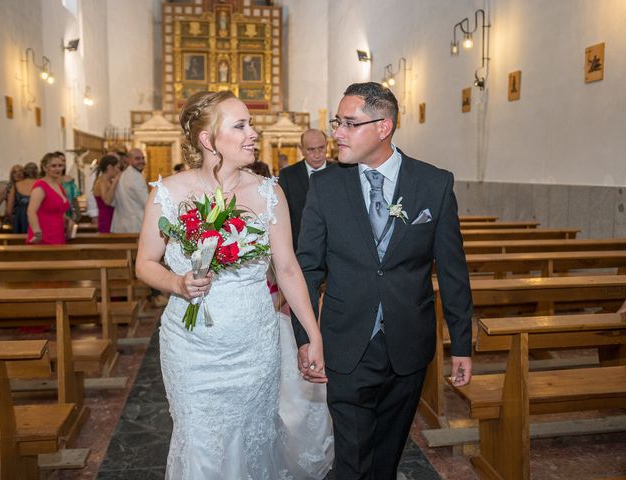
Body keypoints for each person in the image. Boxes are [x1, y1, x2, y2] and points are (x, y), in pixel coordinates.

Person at [135, 90, 333, 479]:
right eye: (240, 125)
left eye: (251, 124)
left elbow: (288, 269)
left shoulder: (268, 193)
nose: (253, 133)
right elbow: (144, 262)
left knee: (251, 437)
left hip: (253, 344)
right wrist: (177, 283)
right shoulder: (169, 193)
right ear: (208, 139)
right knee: (200, 440)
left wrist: (313, 333)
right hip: (191, 348)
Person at [292, 82, 473, 479]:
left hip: (408, 343)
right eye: (337, 122)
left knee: (386, 459)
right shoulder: (325, 186)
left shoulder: (434, 184)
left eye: (349, 123)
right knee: (352, 462)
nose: (336, 133)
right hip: (346, 340)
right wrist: (306, 336)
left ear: (383, 126)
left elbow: (453, 270)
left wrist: (462, 344)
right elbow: (308, 268)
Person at [278, 129, 328, 250]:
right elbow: (282, 217)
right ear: (301, 149)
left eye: (321, 148)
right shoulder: (287, 176)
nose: (317, 154)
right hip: (300, 247)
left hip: (336, 248)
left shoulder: (341, 171)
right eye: (311, 149)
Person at [26, 153, 72, 245]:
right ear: (44, 168)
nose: (58, 169)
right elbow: (31, 211)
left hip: (58, 234)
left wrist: (68, 220)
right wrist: (37, 233)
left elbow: (55, 211)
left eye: (60, 166)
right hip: (44, 236)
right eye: (53, 166)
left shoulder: (58, 186)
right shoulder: (40, 186)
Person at [110, 148, 149, 233]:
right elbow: (147, 203)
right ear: (128, 160)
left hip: (119, 226)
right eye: (137, 158)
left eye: (143, 158)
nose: (142, 161)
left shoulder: (122, 175)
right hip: (135, 226)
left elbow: (113, 202)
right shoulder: (136, 177)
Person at [6, 162, 39, 233]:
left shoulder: (15, 186)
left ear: (25, 172)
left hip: (20, 219)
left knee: (20, 243)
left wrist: (14, 223)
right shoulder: (41, 184)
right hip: (38, 219)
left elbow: (9, 211)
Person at [92, 155, 121, 233]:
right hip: (106, 218)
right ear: (110, 167)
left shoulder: (108, 181)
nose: (119, 171)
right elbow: (107, 201)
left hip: (112, 216)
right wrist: (115, 182)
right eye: (117, 167)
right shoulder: (101, 181)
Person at [0, 164, 24, 229]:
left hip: (25, 221)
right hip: (11, 223)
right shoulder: (7, 189)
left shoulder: (28, 188)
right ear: (12, 175)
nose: (18, 173)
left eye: (20, 171)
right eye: (14, 172)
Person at [55, 151, 82, 223]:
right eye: (60, 160)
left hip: (68, 213)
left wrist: (78, 213)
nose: (63, 163)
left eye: (64, 160)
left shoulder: (69, 179)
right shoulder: (49, 180)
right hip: (54, 214)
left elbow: (74, 198)